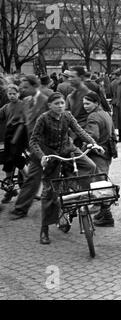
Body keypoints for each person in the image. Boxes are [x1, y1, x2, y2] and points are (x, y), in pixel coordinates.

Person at [29, 92, 103, 245]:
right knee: (48, 193)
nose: (60, 106)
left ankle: (82, 194)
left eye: (62, 103)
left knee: (91, 165)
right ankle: (44, 230)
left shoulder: (67, 116)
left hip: (69, 149)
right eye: (56, 104)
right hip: (51, 156)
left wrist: (93, 144)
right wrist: (42, 156)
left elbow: (79, 131)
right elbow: (33, 141)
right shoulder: (43, 119)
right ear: (50, 105)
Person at [8, 75, 49, 220]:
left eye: (26, 87)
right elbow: (23, 122)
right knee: (33, 176)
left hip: (46, 145)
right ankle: (21, 208)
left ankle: (21, 208)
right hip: (33, 145)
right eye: (22, 88)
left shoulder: (45, 100)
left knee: (36, 176)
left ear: (35, 86)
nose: (23, 90)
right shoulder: (25, 102)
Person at [82, 91, 116, 227]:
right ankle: (103, 213)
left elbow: (92, 136)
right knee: (102, 181)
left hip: (98, 153)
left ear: (96, 103)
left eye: (88, 103)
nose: (85, 106)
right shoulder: (106, 113)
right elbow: (112, 132)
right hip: (108, 152)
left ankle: (107, 216)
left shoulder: (93, 116)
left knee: (100, 184)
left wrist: (83, 149)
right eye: (84, 103)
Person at [0, 84, 28, 203]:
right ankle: (10, 189)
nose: (11, 96)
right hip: (9, 136)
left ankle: (28, 183)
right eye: (9, 94)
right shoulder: (6, 107)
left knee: (18, 158)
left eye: (14, 94)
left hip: (20, 135)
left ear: (18, 94)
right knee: (7, 161)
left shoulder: (23, 105)